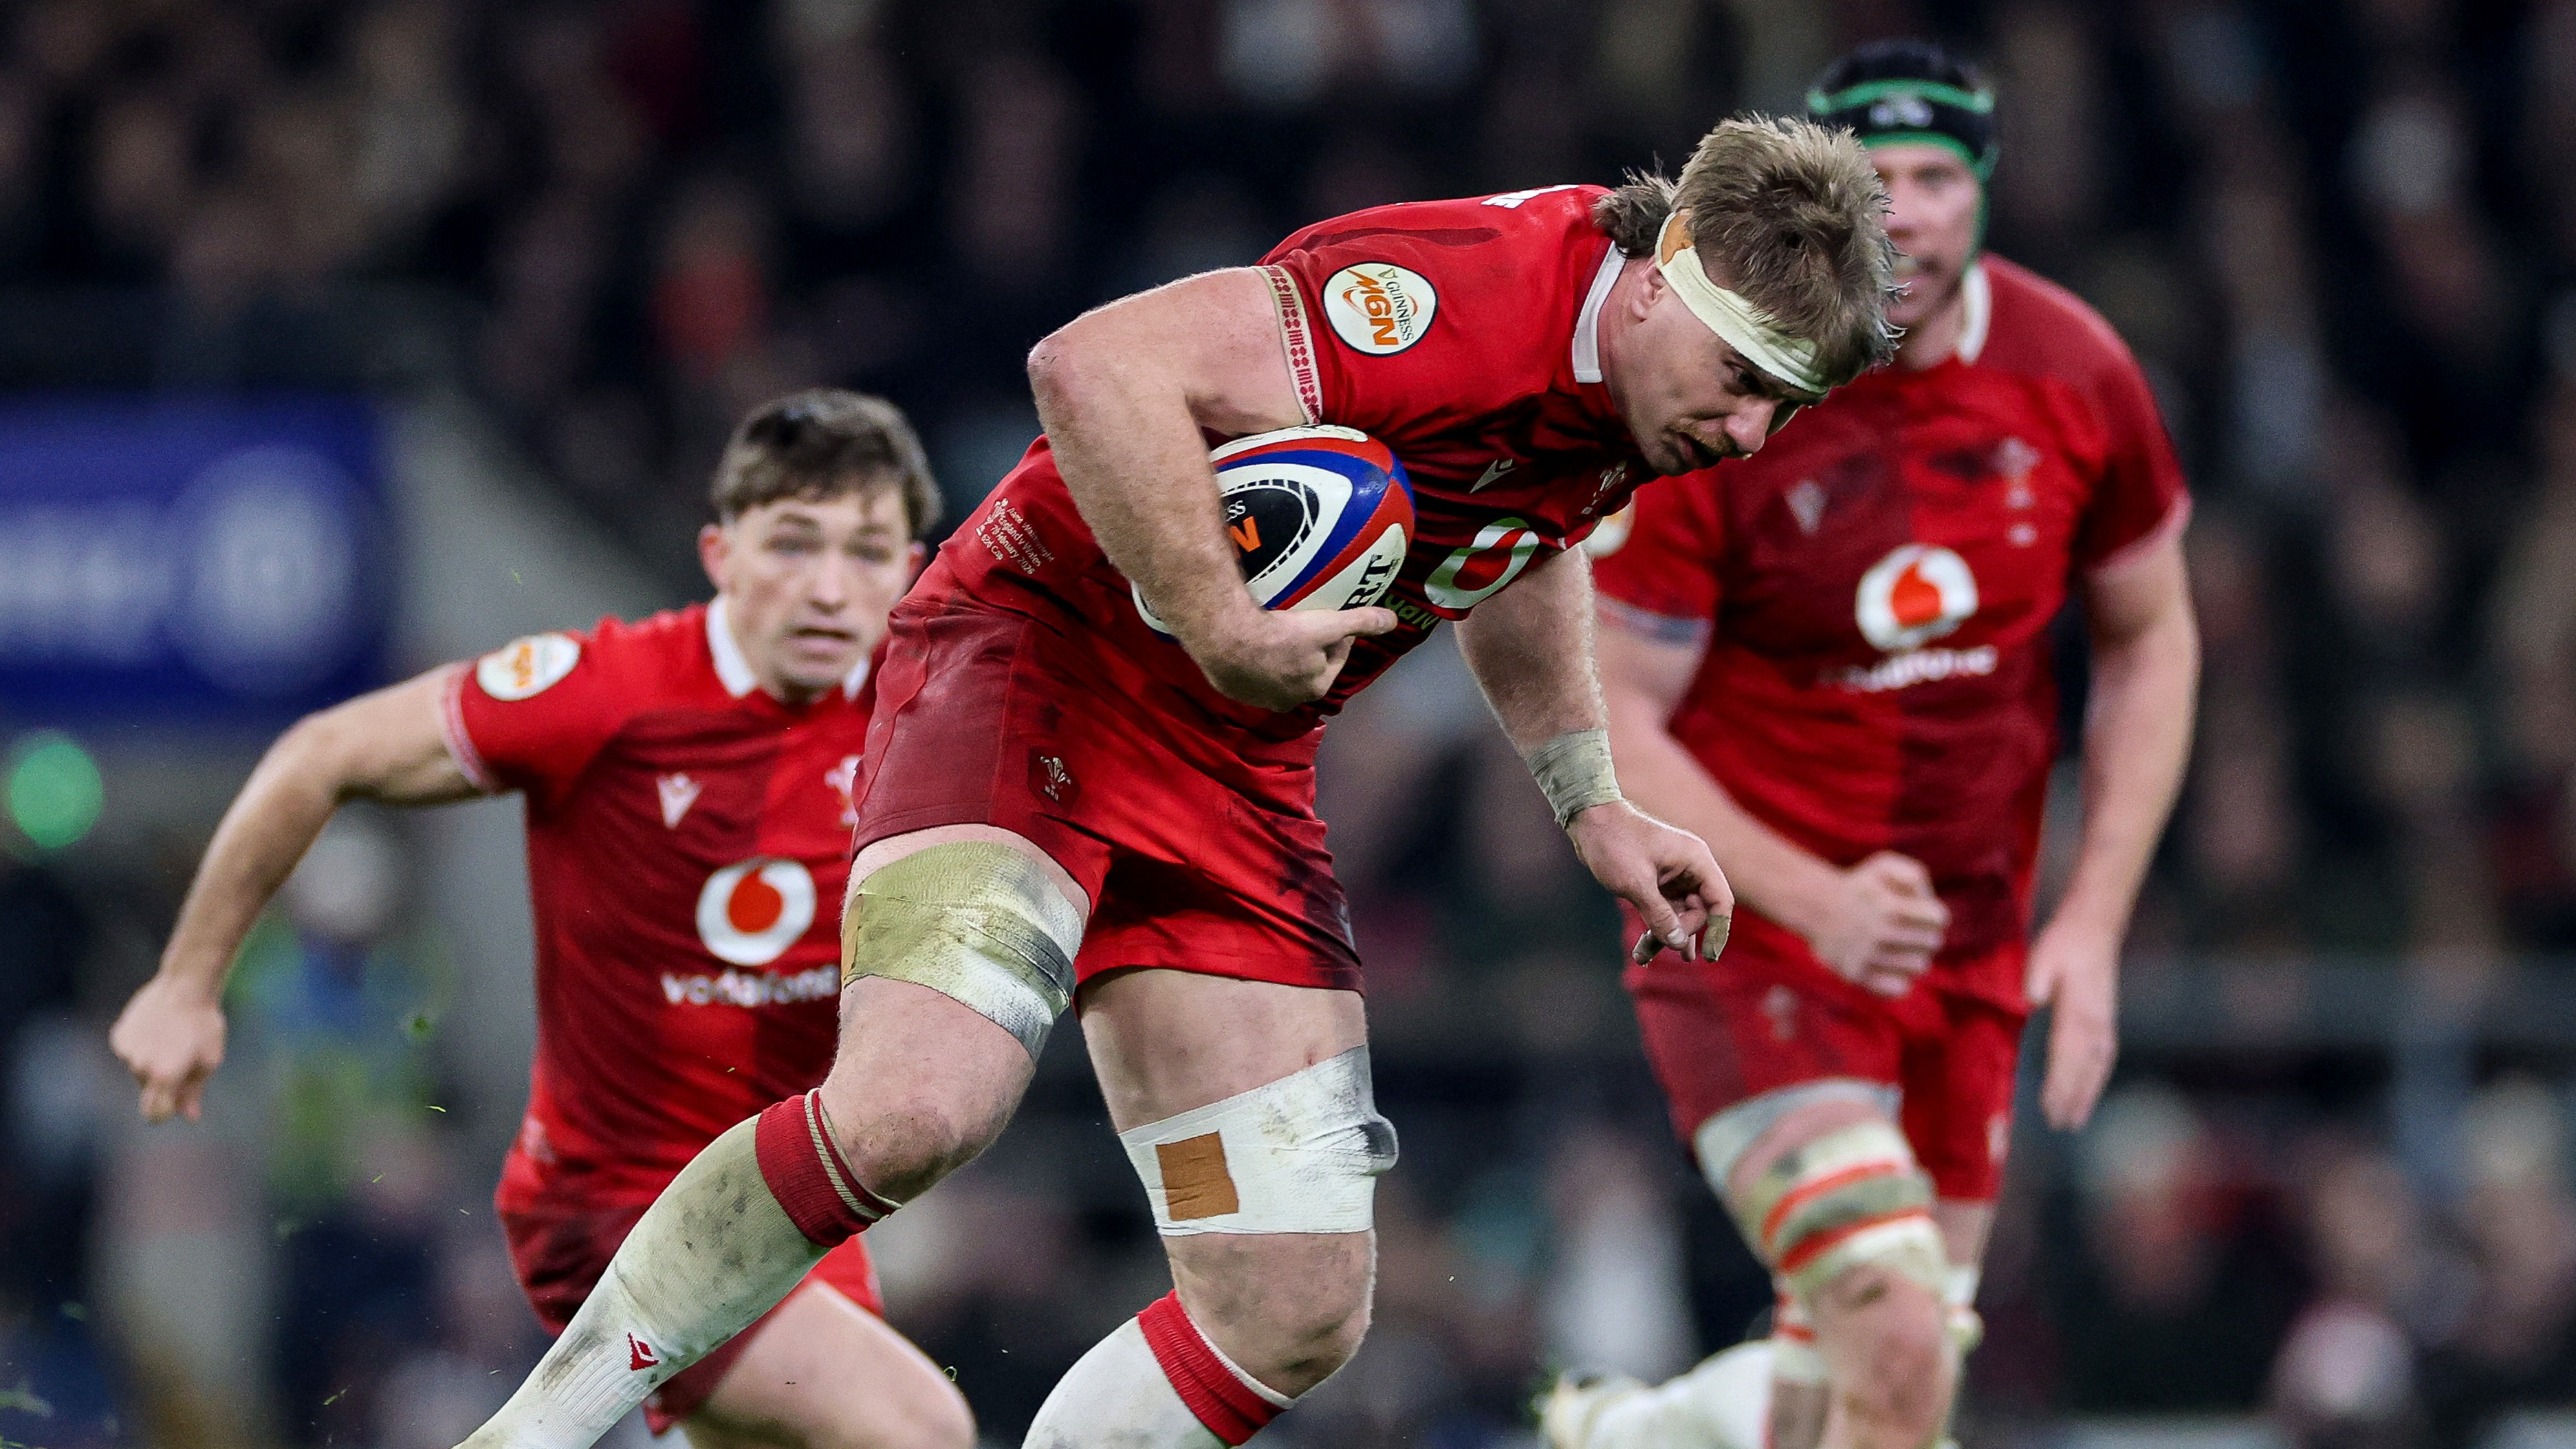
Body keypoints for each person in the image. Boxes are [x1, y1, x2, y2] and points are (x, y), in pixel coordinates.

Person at [451, 114, 1897, 1449]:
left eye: (1789, 404)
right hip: (1036, 662)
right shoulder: (1446, 301)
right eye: (1745, 383)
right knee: (915, 1111)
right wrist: (1216, 612)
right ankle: (534, 1434)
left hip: (1232, 757)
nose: (1750, 435)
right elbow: (1092, 366)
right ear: (1663, 283)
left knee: (1295, 1303)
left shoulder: (1637, 387)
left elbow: (1525, 530)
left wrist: (1589, 799)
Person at [1539, 41, 2201, 1449]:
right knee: (1895, 1325)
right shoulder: (1731, 398)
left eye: (1934, 178)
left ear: (1982, 191)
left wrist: (2088, 920)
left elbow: (2153, 638)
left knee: (1875, 1377)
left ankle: (1640, 1440)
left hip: (1962, 946)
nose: (1906, 213)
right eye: (1876, 183)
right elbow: (1612, 714)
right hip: (1753, 939)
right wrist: (1815, 895)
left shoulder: (2074, 368)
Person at [109, 391, 976, 1449]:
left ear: (910, 567)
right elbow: (321, 753)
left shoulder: (924, 720)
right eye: (792, 544)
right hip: (619, 1205)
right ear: (720, 552)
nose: (828, 587)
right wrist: (187, 983)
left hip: (798, 1209)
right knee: (918, 1429)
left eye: (863, 551)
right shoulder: (607, 691)